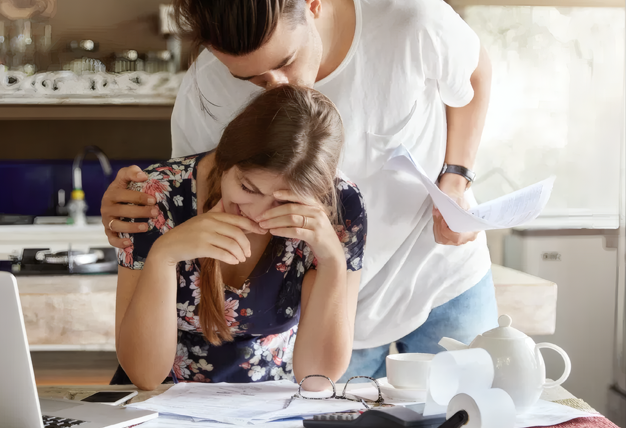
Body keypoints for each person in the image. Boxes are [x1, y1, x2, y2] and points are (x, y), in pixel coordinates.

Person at [102, 0, 497, 379]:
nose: (276, 88)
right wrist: (132, 206)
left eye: (286, 62)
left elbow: (476, 74)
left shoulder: (411, 20)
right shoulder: (208, 85)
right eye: (251, 80)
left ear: (312, 4)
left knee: (478, 407)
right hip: (323, 298)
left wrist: (457, 178)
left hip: (437, 266)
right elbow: (186, 191)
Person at [112, 85, 367, 390]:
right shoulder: (156, 196)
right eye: (248, 188)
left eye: (284, 202)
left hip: (270, 407)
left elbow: (317, 380)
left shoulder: (340, 206)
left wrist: (332, 262)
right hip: (161, 404)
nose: (257, 214)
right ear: (225, 159)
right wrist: (163, 256)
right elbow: (144, 376)